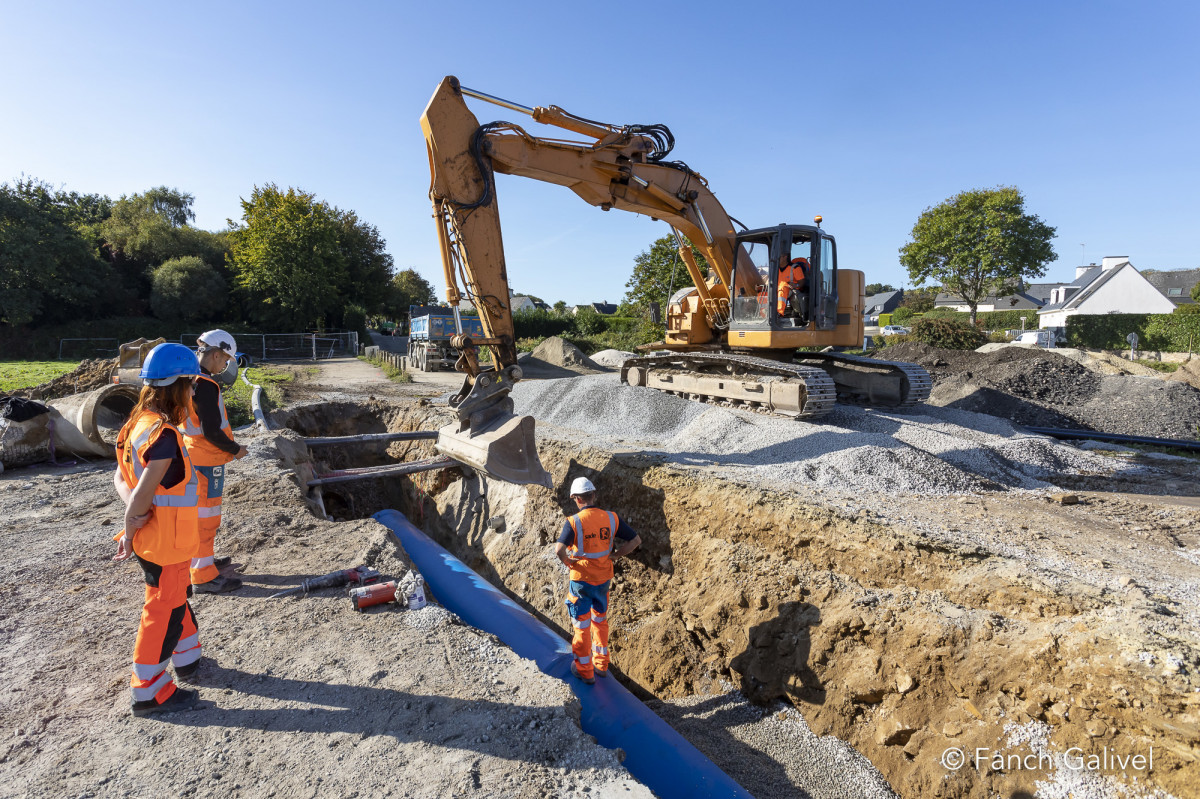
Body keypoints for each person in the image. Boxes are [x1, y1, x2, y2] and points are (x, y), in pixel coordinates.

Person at [113, 343, 204, 716]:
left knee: (175, 599)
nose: (194, 392)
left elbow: (121, 478)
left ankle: (187, 659)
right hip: (166, 543)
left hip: (161, 541)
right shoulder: (163, 437)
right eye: (192, 384)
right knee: (162, 613)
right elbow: (142, 496)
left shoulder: (137, 423)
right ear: (178, 385)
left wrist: (135, 517)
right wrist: (130, 529)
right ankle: (148, 691)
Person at [554, 477, 642, 684]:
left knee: (582, 626)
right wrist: (616, 555)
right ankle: (601, 665)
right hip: (603, 579)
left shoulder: (573, 522)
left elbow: (558, 550)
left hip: (582, 581)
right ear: (593, 495)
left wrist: (568, 562)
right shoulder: (611, 518)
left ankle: (585, 671)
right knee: (600, 620)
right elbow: (636, 541)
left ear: (576, 499)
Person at [182, 329, 248, 594]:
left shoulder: (189, 379)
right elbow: (211, 430)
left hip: (195, 454)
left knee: (198, 514)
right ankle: (203, 575)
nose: (225, 365)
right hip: (207, 458)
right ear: (217, 353)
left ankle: (202, 562)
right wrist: (235, 449)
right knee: (207, 518)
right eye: (225, 360)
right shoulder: (206, 385)